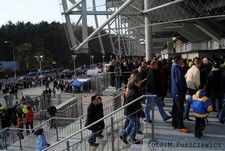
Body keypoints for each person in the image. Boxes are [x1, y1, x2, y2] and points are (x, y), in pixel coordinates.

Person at [120, 75, 142, 144]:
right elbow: (135, 104)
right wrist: (140, 112)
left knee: (131, 125)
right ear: (135, 83)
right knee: (137, 125)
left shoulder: (134, 89)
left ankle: (124, 135)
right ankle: (132, 137)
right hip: (130, 111)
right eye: (139, 83)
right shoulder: (133, 91)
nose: (140, 83)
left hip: (130, 111)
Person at [171, 56, 189, 133]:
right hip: (179, 92)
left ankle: (174, 122)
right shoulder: (177, 69)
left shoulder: (173, 68)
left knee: (175, 108)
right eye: (181, 59)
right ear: (179, 61)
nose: (183, 60)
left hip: (175, 91)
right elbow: (179, 82)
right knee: (179, 109)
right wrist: (184, 89)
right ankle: (180, 125)